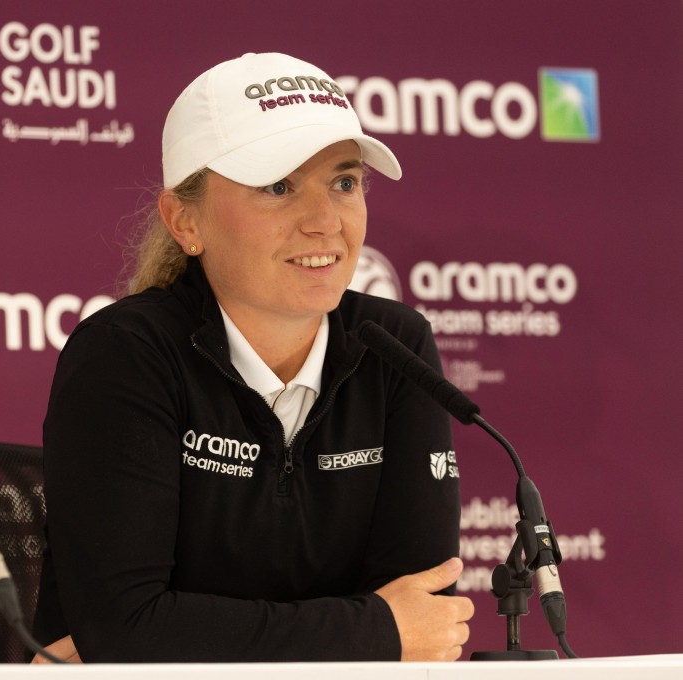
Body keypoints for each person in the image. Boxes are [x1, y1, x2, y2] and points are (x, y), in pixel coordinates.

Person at [31, 52, 473, 663]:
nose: (325, 222)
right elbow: (128, 629)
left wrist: (188, 637)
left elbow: (423, 617)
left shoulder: (394, 346)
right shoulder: (126, 353)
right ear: (185, 221)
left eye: (344, 183)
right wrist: (373, 630)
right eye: (278, 187)